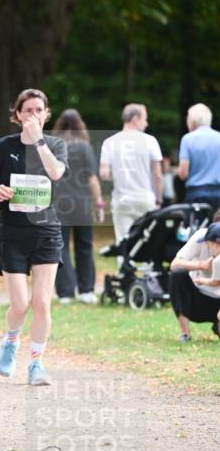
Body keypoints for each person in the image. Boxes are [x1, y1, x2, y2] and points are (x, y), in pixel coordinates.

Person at [0, 88, 68, 386]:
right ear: (17, 115)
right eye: (27, 110)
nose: (33, 115)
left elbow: (56, 173)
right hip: (12, 232)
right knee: (19, 305)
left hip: (46, 233)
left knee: (42, 302)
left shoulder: (55, 144)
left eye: (38, 110)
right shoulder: (4, 146)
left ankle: (36, 364)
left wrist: (39, 141)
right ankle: (11, 340)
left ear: (46, 114)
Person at [51, 108, 105, 304]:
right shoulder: (84, 147)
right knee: (84, 245)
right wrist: (98, 202)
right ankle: (86, 291)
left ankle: (65, 293)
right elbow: (92, 178)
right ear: (79, 124)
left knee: (61, 247)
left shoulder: (53, 146)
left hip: (58, 203)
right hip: (81, 203)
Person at [99, 103, 163, 246]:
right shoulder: (150, 141)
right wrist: (159, 200)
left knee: (123, 242)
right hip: (145, 199)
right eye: (145, 119)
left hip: (122, 200)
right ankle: (148, 267)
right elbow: (157, 175)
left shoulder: (109, 142)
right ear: (135, 118)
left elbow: (103, 174)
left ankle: (124, 267)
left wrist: (118, 176)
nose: (147, 123)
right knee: (149, 242)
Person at [169, 212, 220, 342]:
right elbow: (175, 264)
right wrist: (200, 265)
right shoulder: (200, 237)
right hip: (197, 298)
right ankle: (185, 333)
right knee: (177, 274)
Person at [177, 103, 220, 211]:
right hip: (218, 193)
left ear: (193, 120)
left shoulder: (188, 139)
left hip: (196, 194)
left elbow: (183, 174)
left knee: (196, 227)